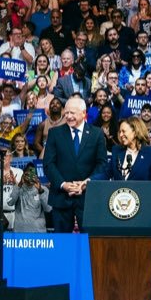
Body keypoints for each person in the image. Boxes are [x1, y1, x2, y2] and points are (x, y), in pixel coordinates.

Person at [42, 95, 107, 232]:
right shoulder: (55, 133)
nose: (68, 116)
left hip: (88, 198)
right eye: (66, 113)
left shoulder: (96, 134)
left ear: (83, 113)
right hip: (61, 198)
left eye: (72, 113)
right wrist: (63, 184)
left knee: (89, 242)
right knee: (62, 242)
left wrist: (86, 183)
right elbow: (48, 164)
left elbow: (102, 165)